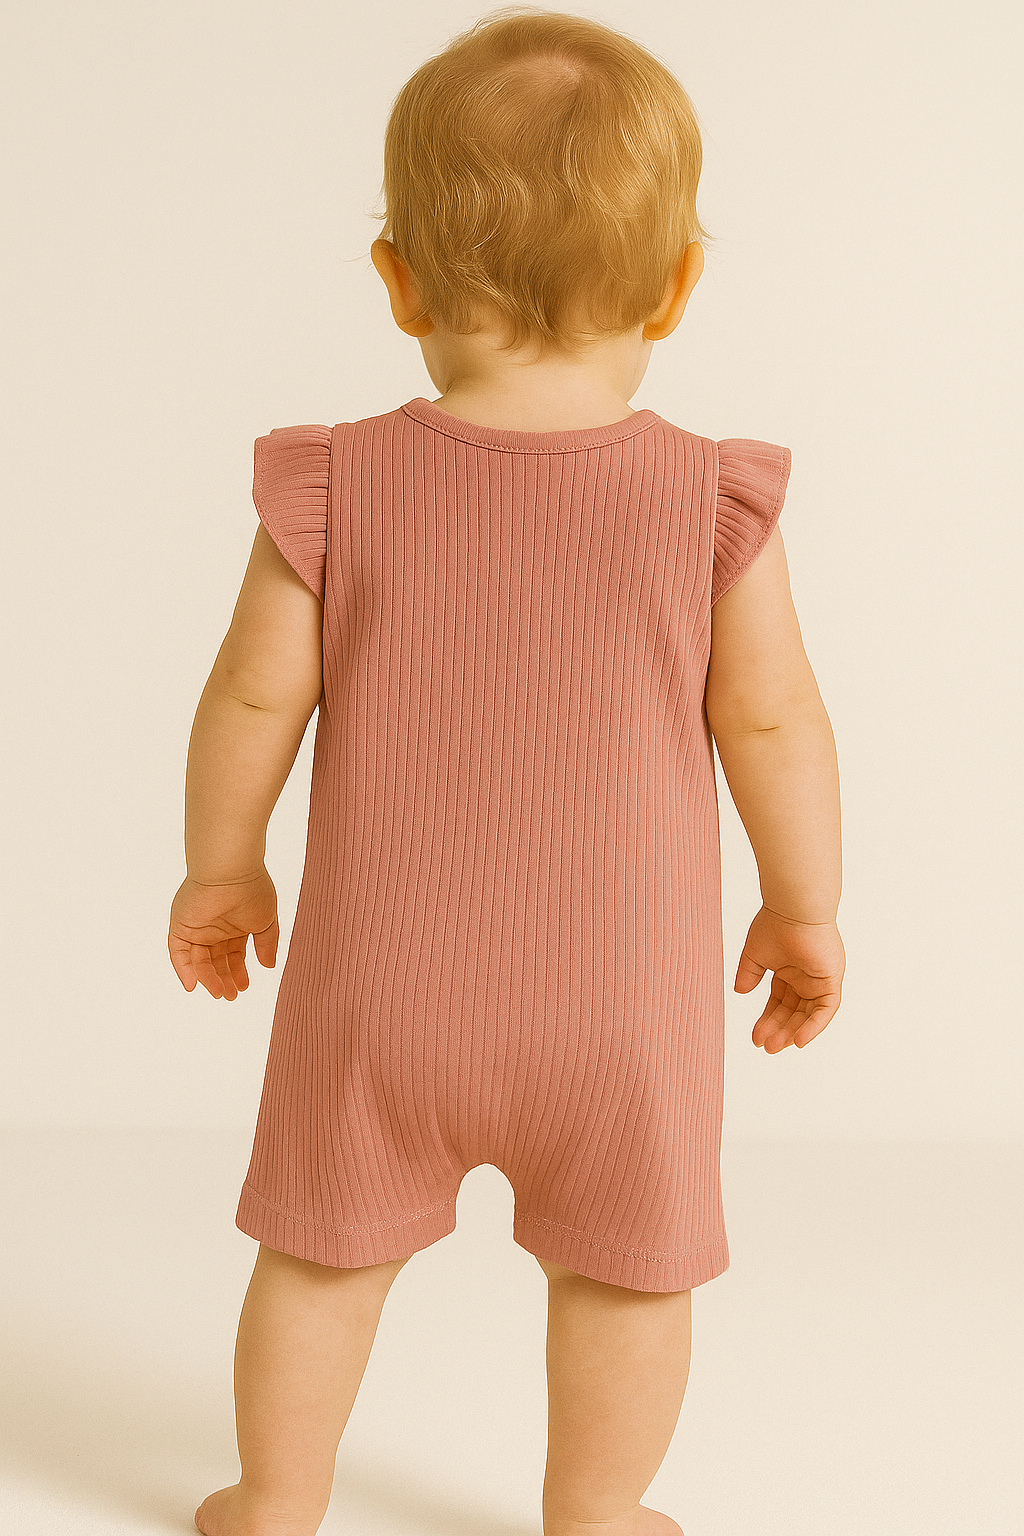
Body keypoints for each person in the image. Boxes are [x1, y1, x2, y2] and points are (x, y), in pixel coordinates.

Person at [168, 8, 845, 1536]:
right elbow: (775, 722)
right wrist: (805, 907)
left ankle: (276, 1498)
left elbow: (251, 696)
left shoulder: (334, 484)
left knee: (322, 1252)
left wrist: (221, 868)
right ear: (675, 287)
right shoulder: (710, 501)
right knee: (626, 1275)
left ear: (399, 278)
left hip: (381, 988)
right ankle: (594, 1516)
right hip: (622, 1003)